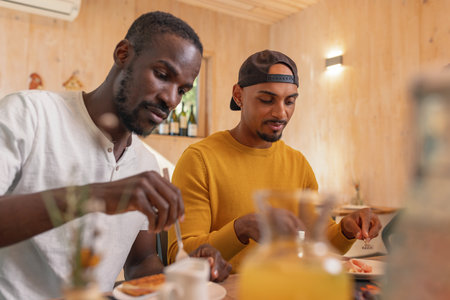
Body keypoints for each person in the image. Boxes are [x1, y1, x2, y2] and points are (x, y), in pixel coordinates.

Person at [0, 11, 230, 299]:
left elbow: (140, 262)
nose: (171, 100)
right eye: (162, 75)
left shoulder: (145, 163)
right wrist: (98, 196)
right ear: (123, 54)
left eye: (182, 90)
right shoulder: (30, 114)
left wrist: (186, 275)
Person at [167, 50, 382, 271]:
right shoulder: (199, 160)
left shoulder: (298, 163)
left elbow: (321, 242)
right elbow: (179, 256)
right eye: (267, 100)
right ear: (238, 96)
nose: (281, 113)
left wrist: (345, 230)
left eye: (289, 101)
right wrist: (240, 229)